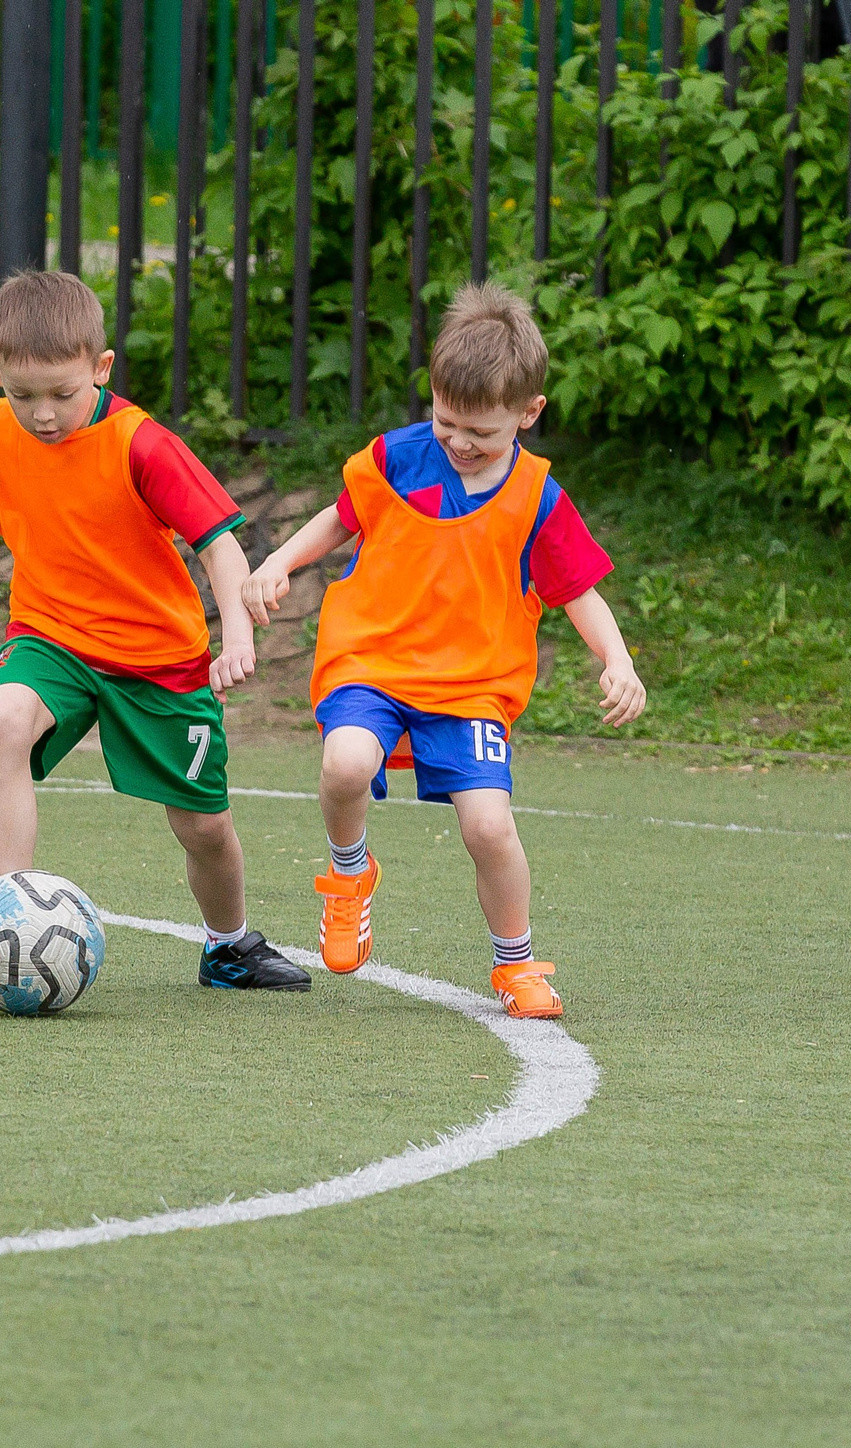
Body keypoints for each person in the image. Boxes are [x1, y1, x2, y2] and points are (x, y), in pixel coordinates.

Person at [0, 270, 308, 991]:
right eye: (22, 395)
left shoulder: (141, 444)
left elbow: (220, 544)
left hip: (158, 660)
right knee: (2, 717)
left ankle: (228, 944)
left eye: (62, 393)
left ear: (100, 369)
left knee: (204, 827)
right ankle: (3, 914)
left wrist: (237, 633)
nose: (43, 414)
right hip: (52, 637)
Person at [240, 282, 644, 1018]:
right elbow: (338, 519)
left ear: (529, 414)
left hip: (473, 684)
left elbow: (579, 589)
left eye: (480, 434)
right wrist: (278, 564)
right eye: (445, 419)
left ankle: (516, 965)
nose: (458, 441)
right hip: (371, 660)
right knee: (344, 764)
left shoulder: (538, 498)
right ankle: (348, 876)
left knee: (489, 827)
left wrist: (616, 659)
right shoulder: (397, 458)